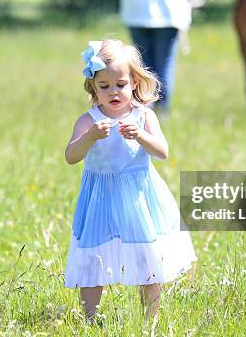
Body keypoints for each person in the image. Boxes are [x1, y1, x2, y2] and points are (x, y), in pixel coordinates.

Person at [64, 40, 197, 323]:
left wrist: (140, 135)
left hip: (139, 196)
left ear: (134, 83)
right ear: (93, 87)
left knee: (147, 255)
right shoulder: (89, 121)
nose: (113, 92)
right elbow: (71, 156)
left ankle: (150, 317)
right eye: (104, 86)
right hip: (101, 197)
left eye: (120, 84)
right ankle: (90, 317)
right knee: (94, 255)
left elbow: (162, 152)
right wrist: (89, 138)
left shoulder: (143, 116)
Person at [120, 0, 202, 116]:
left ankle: (141, 112)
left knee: (142, 68)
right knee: (163, 67)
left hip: (135, 14)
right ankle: (160, 115)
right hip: (167, 14)